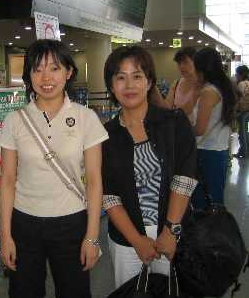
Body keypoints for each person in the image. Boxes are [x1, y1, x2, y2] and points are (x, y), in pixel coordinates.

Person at [0, 39, 108, 298]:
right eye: (37, 69)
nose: (46, 77)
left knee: (74, 292)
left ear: (68, 72)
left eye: (54, 68)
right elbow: (7, 180)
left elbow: (94, 180)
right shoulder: (15, 119)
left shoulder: (85, 118)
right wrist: (6, 235)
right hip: (24, 222)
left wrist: (92, 237)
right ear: (29, 76)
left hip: (71, 222)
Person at [101, 45, 198, 288]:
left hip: (172, 234)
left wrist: (170, 230)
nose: (129, 85)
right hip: (127, 238)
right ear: (112, 86)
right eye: (120, 77)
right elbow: (108, 193)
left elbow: (184, 178)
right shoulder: (105, 136)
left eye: (137, 76)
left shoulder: (174, 123)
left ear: (149, 81)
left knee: (172, 291)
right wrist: (136, 240)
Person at [190, 47, 237, 208]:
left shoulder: (208, 92)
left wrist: (183, 129)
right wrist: (196, 95)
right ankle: (214, 232)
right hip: (219, 152)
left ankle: (203, 233)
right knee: (214, 200)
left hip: (206, 153)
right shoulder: (222, 89)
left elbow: (200, 129)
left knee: (202, 201)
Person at [150, 47, 201, 122]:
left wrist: (170, 114)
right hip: (178, 129)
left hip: (196, 129)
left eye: (185, 62)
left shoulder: (202, 85)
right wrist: (154, 89)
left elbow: (187, 109)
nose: (181, 67)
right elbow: (167, 107)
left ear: (195, 62)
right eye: (179, 63)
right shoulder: (176, 84)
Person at [233, 65, 249, 158]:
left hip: (242, 110)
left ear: (241, 74)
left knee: (241, 131)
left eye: (237, 73)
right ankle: (246, 150)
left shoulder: (242, 84)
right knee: (245, 130)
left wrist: (235, 109)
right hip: (248, 109)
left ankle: (243, 151)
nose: (236, 75)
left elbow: (238, 97)